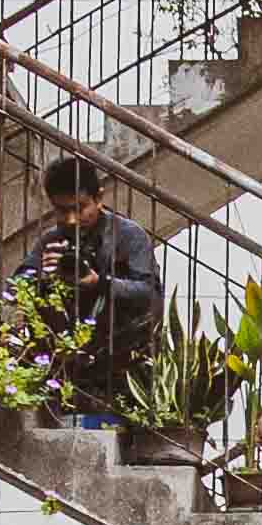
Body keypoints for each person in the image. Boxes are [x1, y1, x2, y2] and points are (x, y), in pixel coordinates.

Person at [14, 151, 172, 423]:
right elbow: (16, 286)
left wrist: (99, 282)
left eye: (80, 207)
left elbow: (148, 294)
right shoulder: (51, 239)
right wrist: (41, 273)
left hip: (123, 360)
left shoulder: (128, 236)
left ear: (99, 198)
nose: (72, 219)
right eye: (62, 210)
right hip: (68, 366)